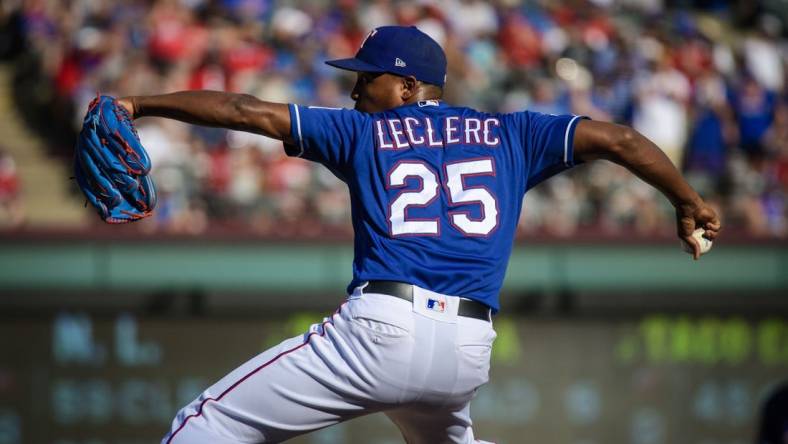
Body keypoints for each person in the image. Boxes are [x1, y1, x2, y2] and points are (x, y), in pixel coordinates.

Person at [117, 26, 720, 444]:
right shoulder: (512, 134)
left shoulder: (361, 134)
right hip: (465, 350)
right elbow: (617, 140)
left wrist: (139, 103)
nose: (354, 90)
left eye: (367, 78)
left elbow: (245, 110)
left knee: (206, 425)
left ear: (407, 88)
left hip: (379, 330)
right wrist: (687, 201)